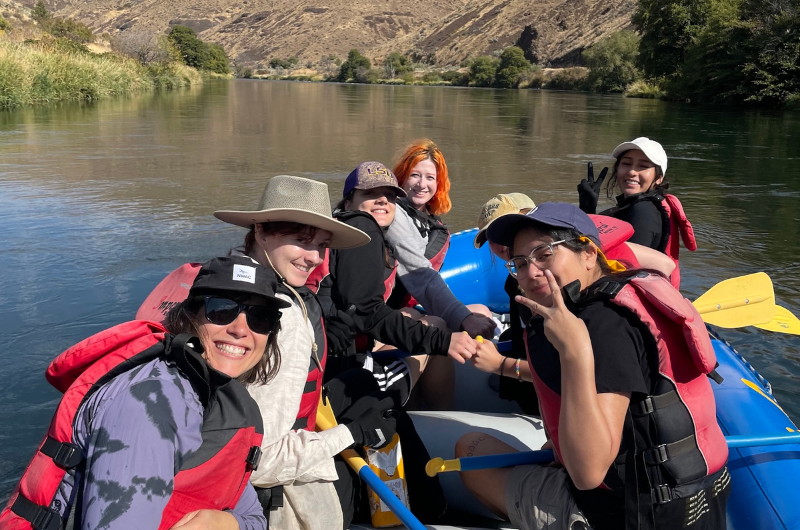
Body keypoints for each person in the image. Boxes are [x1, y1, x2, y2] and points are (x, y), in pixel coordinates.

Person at [457, 203, 730, 530]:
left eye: (544, 254)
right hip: (692, 500)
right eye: (519, 263)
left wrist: (574, 350)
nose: (530, 273)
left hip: (628, 514)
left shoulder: (600, 325)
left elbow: (587, 474)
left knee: (469, 452)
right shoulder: (621, 296)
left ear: (588, 254)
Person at [1, 256, 289, 530]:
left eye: (260, 317)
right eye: (222, 310)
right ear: (191, 315)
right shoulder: (150, 403)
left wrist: (228, 523)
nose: (240, 329)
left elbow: (252, 516)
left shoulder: (221, 397)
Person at [214, 176, 399, 530]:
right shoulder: (282, 318)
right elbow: (264, 461)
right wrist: (353, 433)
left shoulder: (219, 284)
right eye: (301, 240)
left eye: (323, 245)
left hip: (219, 471)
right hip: (273, 503)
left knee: (360, 383)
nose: (314, 258)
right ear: (262, 231)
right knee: (380, 411)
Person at [472, 194, 676, 415]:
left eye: (543, 254)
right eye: (492, 239)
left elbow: (665, 264)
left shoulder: (604, 319)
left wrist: (501, 365)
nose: (504, 246)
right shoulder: (522, 280)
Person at [311, 161, 479, 410]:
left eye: (389, 196)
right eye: (370, 194)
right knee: (437, 331)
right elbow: (366, 311)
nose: (382, 201)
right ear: (348, 203)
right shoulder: (361, 226)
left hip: (334, 355)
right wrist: (443, 342)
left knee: (424, 322)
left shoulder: (347, 233)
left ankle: (427, 414)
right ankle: (438, 421)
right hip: (339, 374)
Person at [387, 139, 496, 338]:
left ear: (438, 183)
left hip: (415, 302)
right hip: (389, 308)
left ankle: (491, 364)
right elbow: (420, 274)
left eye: (430, 177)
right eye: (415, 175)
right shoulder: (393, 215)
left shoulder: (428, 221)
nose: (422, 184)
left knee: (481, 310)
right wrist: (463, 318)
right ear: (402, 178)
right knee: (433, 323)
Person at [577, 137, 697, 287]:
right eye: (626, 163)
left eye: (643, 166)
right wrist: (588, 210)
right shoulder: (634, 206)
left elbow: (626, 271)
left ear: (659, 178)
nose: (632, 171)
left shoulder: (643, 211)